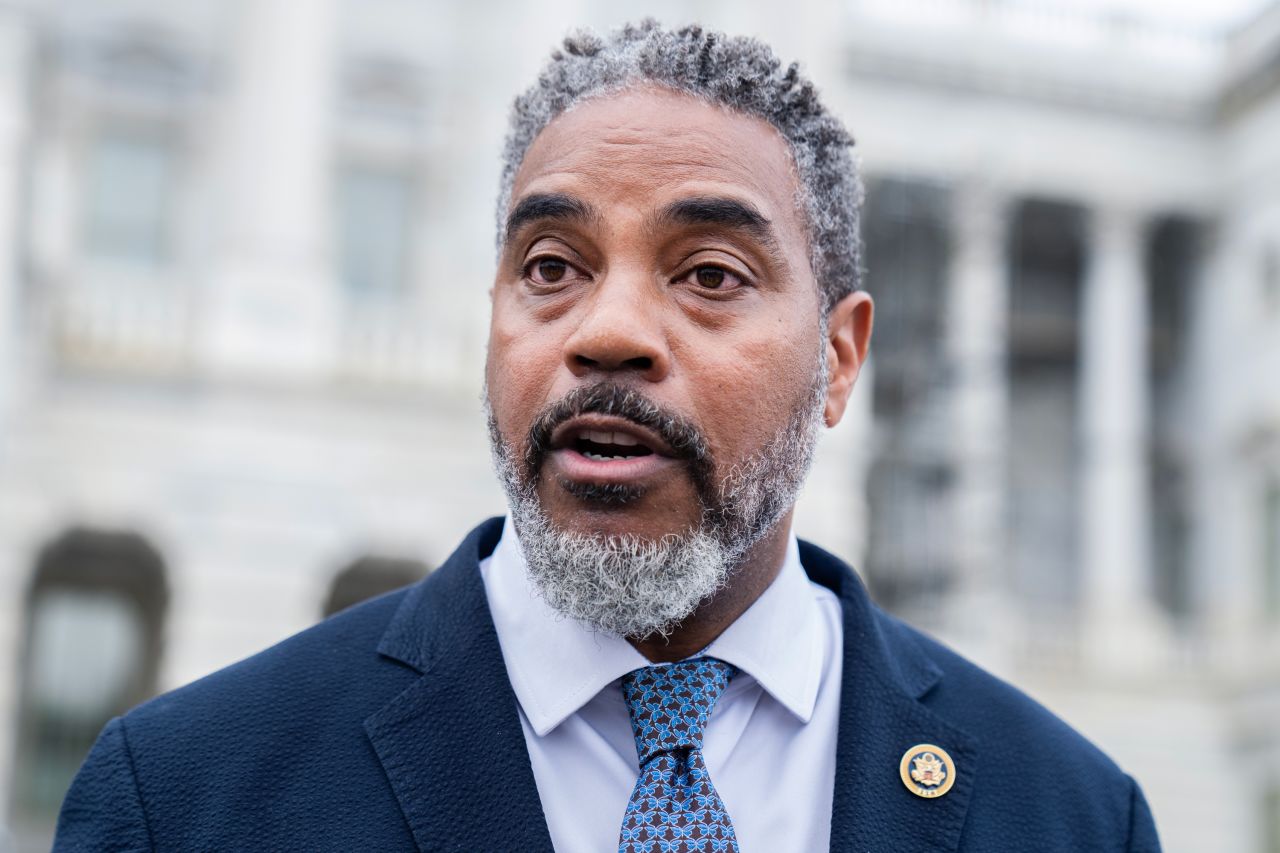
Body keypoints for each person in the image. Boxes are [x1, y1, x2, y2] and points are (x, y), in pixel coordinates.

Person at [54, 21, 1161, 853]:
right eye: (551, 268)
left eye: (708, 276)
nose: (610, 332)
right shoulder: (182, 797)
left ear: (837, 358)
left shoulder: (1067, 814)